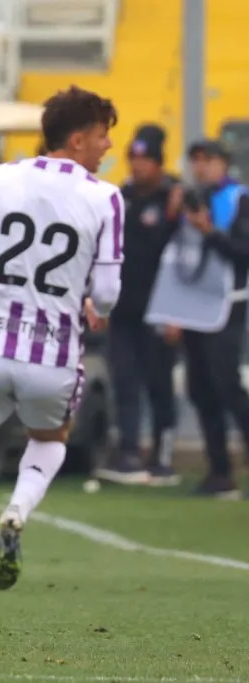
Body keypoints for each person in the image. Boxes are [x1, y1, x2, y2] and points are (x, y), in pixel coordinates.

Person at [0, 86, 124, 589]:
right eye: (102, 137)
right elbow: (109, 289)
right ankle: (16, 509)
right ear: (77, 139)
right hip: (53, 354)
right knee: (51, 440)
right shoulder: (105, 197)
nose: (108, 148)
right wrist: (99, 306)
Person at [96, 124, 182, 487]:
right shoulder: (122, 196)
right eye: (133, 159)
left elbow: (182, 260)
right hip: (124, 307)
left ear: (159, 163)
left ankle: (162, 456)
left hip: (160, 309)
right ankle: (129, 452)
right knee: (125, 381)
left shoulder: (173, 197)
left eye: (144, 160)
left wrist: (179, 313)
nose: (137, 166)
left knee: (158, 383)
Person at [178, 139, 249, 499]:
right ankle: (219, 471)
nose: (201, 168)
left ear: (224, 163)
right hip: (193, 306)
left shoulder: (240, 200)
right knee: (200, 388)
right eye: (196, 161)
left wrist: (211, 233)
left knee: (227, 387)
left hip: (227, 305)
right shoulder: (190, 199)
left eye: (208, 161)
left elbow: (244, 252)